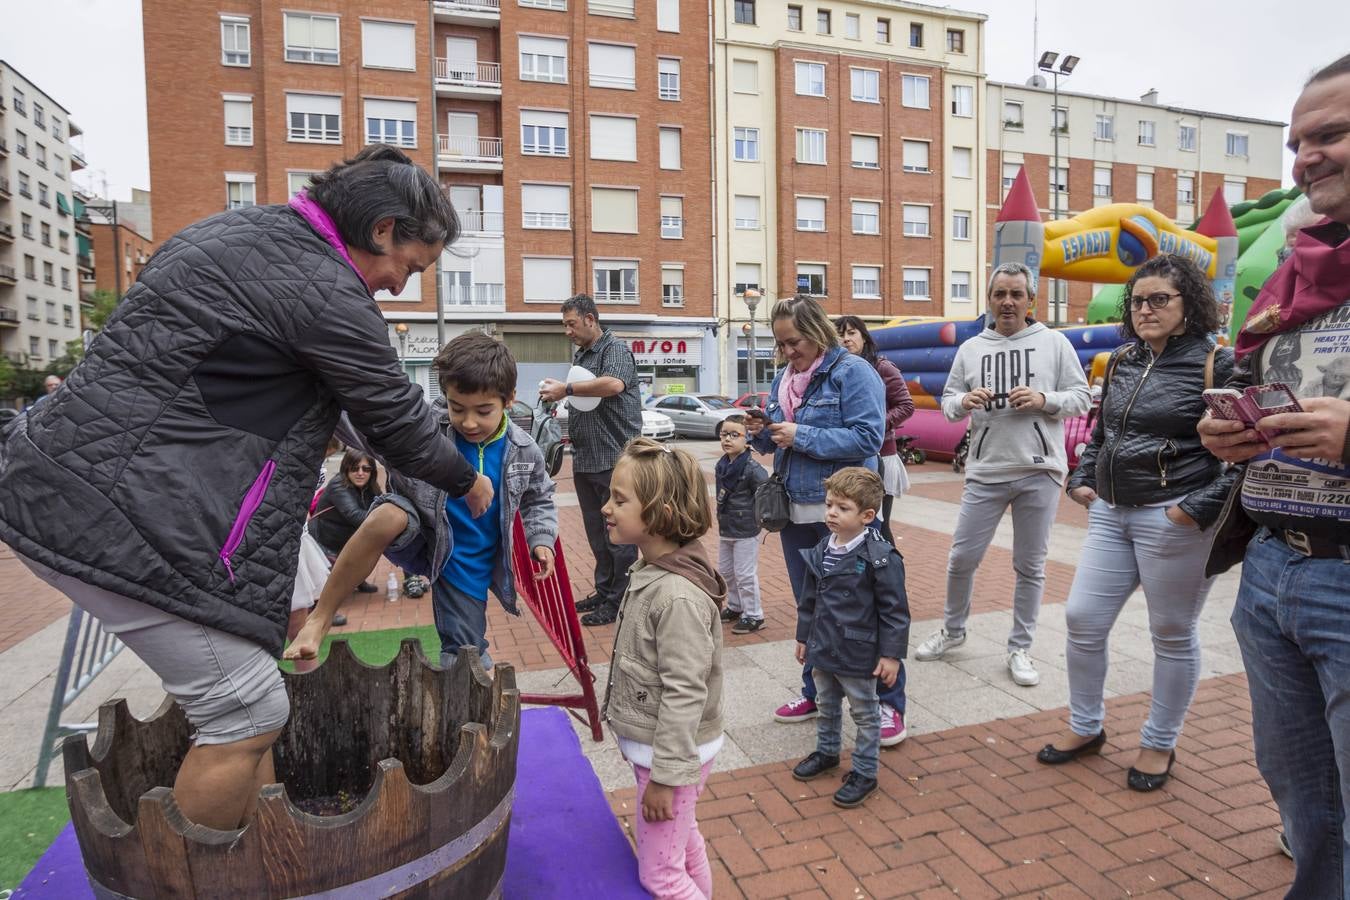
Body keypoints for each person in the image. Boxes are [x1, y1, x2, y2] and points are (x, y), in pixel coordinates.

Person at [0, 144, 493, 831]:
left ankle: (253, 854)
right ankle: (197, 873)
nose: (401, 286)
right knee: (246, 708)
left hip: (72, 487)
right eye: (408, 266)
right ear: (382, 229)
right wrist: (469, 481)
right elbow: (395, 419)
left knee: (248, 698)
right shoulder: (324, 287)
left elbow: (346, 413)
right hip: (113, 513)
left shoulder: (233, 234)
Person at [1199, 54, 1350, 897]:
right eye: (1298, 142)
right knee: (1300, 793)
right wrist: (1225, 430)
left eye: (1330, 134)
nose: (1305, 158)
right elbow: (1250, 383)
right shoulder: (1300, 270)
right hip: (1272, 571)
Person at [1037, 254, 1237, 791]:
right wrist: (1083, 475)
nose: (1145, 309)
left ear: (1187, 303)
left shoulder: (1219, 362)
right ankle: (1086, 727)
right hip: (1111, 512)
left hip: (1174, 517)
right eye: (1138, 300)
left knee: (1171, 632)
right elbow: (1101, 431)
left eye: (1158, 300)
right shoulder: (1123, 359)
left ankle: (1159, 742)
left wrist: (1193, 510)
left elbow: (1246, 455)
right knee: (1081, 619)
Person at [287, 333, 557, 669]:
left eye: (483, 411)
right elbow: (369, 427)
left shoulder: (524, 450)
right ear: (446, 398)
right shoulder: (426, 431)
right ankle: (320, 618)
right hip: (426, 540)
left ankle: (467, 709)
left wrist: (541, 539)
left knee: (465, 656)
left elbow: (539, 498)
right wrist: (318, 382)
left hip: (475, 562)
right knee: (388, 515)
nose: (469, 422)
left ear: (510, 400)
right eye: (458, 408)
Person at [914, 262, 1091, 687]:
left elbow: (1082, 398)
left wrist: (1044, 399)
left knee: (1030, 565)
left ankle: (1020, 647)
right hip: (986, 469)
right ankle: (953, 631)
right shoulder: (972, 348)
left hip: (1039, 470)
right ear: (990, 300)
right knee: (961, 558)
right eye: (1000, 295)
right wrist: (964, 402)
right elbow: (949, 402)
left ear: (1030, 299)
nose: (1008, 302)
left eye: (1016, 294)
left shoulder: (1054, 343)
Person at [744, 296, 900, 745]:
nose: (787, 352)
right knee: (810, 607)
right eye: (781, 344)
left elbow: (869, 435)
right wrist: (766, 432)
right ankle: (814, 691)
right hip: (795, 510)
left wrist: (801, 433)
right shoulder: (784, 378)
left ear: (817, 331)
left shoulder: (854, 372)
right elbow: (781, 442)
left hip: (847, 511)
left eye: (794, 342)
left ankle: (889, 704)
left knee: (866, 609)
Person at [599, 438, 724, 900]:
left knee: (661, 875)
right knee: (685, 841)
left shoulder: (676, 597)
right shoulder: (653, 567)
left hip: (669, 760)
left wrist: (667, 779)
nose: (606, 507)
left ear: (659, 512)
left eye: (620, 499)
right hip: (661, 753)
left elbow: (684, 692)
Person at [791, 468, 909, 809]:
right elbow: (808, 598)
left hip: (858, 652)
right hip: (823, 647)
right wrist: (803, 636)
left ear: (867, 516)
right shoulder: (822, 547)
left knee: (866, 712)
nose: (831, 513)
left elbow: (895, 611)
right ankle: (827, 752)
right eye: (829, 505)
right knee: (826, 704)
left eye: (842, 508)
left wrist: (890, 656)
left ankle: (865, 772)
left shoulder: (880, 557)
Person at [538, 294, 643, 626]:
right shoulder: (582, 353)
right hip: (586, 458)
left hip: (614, 458)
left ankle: (619, 600)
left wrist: (566, 390)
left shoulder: (615, 350)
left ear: (590, 320)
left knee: (620, 535)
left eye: (571, 323)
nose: (567, 330)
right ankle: (604, 590)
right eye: (564, 325)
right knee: (598, 534)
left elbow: (612, 385)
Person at [836, 315, 916, 545]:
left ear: (864, 337)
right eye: (840, 334)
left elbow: (906, 405)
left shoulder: (881, 367)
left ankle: (889, 575)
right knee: (850, 525)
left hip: (881, 454)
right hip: (846, 455)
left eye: (851, 333)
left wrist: (876, 425)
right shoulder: (834, 370)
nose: (846, 339)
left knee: (878, 524)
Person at [713, 415, 768, 633]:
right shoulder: (723, 464)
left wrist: (758, 518)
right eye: (724, 434)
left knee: (745, 574)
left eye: (735, 435)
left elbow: (764, 494)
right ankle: (735, 606)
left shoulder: (753, 468)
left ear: (747, 440)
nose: (727, 439)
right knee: (726, 571)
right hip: (726, 526)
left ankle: (754, 615)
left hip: (746, 530)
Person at [307, 450, 382, 592]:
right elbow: (355, 515)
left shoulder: (370, 487)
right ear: (346, 468)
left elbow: (382, 504)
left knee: (365, 547)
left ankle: (358, 580)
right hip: (325, 539)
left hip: (347, 537)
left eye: (366, 469)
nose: (360, 473)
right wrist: (382, 518)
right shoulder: (338, 485)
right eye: (355, 468)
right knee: (327, 587)